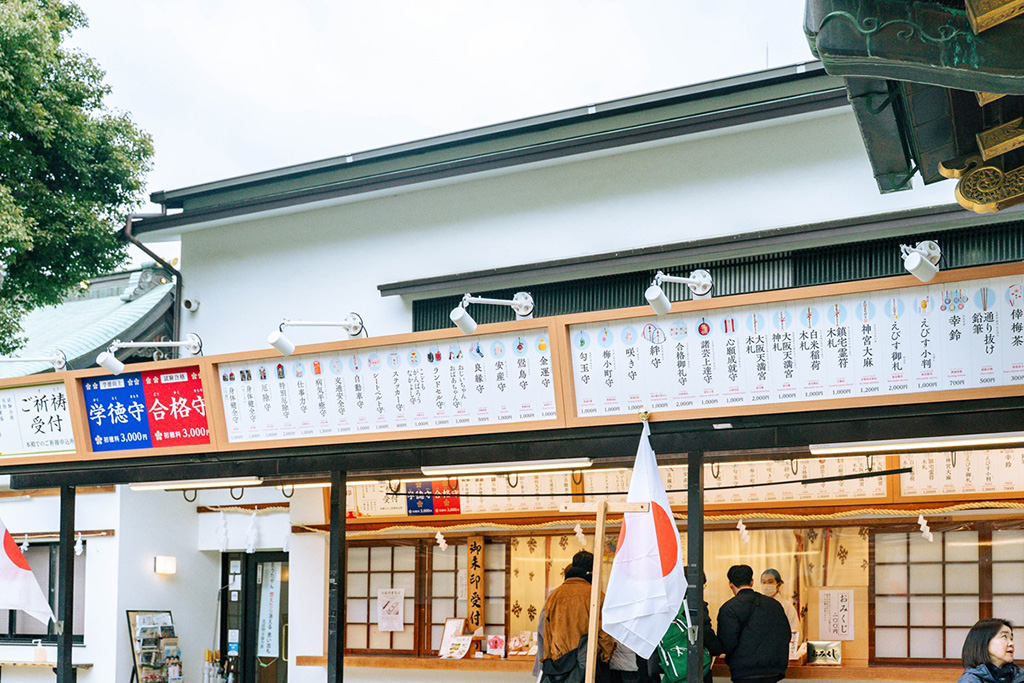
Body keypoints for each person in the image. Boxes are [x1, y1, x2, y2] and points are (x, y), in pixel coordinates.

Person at [541, 550, 616, 682]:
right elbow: (604, 631)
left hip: (558, 664)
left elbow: (547, 632)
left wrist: (548, 657)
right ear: (592, 570)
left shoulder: (554, 596)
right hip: (586, 662)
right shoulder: (595, 595)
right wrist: (605, 654)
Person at [717, 565, 791, 683]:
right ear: (752, 582)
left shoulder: (728, 608)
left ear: (730, 584)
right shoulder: (773, 604)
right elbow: (786, 634)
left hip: (744, 672)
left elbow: (727, 643)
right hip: (772, 671)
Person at [958, 619, 1024, 683]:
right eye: (1004, 637)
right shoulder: (969, 680)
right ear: (984, 642)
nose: (1011, 643)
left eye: (1011, 639)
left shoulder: (1019, 676)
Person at [760, 569, 800, 637]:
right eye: (764, 582)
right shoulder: (757, 605)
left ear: (779, 584)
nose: (766, 585)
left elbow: (794, 630)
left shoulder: (787, 607)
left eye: (770, 582)